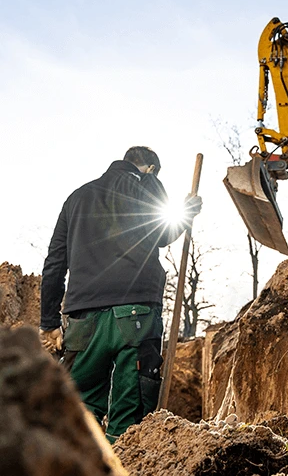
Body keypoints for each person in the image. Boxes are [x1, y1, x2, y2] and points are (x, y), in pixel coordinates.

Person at [39, 146, 202, 443]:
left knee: (76, 415)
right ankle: (125, 460)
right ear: (150, 169)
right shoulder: (145, 186)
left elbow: (54, 264)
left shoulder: (76, 198)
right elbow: (163, 234)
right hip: (136, 315)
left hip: (83, 319)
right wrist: (186, 211)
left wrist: (49, 322)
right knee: (129, 424)